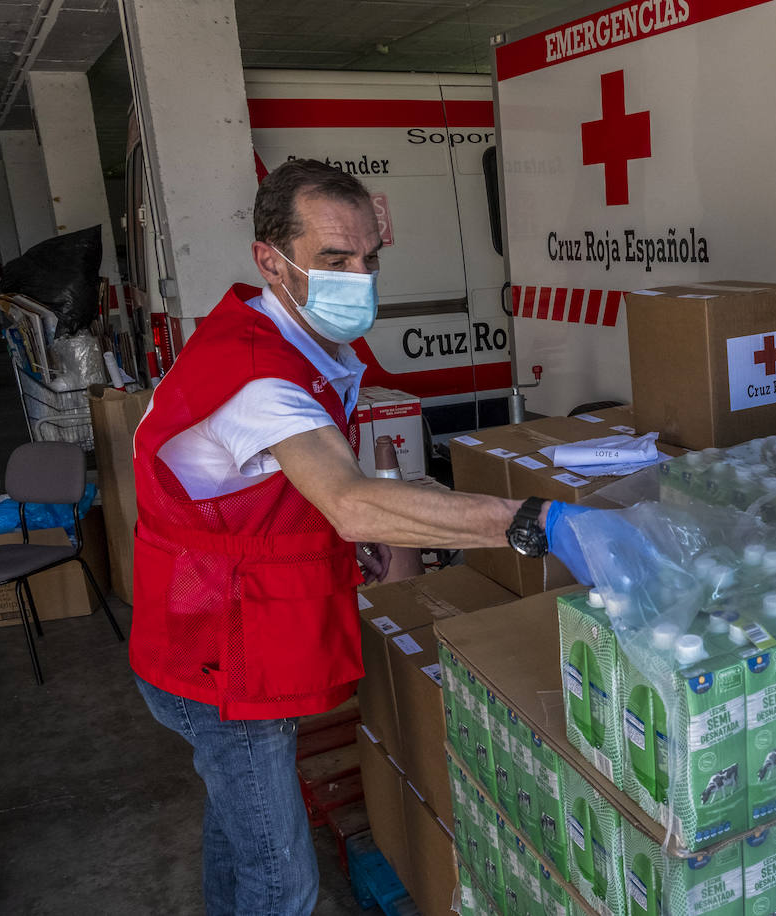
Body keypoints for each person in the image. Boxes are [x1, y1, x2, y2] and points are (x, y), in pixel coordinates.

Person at [128, 159, 595, 915]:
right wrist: (539, 522)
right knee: (282, 882)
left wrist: (356, 534)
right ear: (269, 261)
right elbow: (347, 499)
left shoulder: (285, 333)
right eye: (335, 260)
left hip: (207, 629)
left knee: (237, 827)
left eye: (371, 258)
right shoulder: (258, 376)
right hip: (219, 658)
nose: (360, 277)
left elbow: (280, 493)